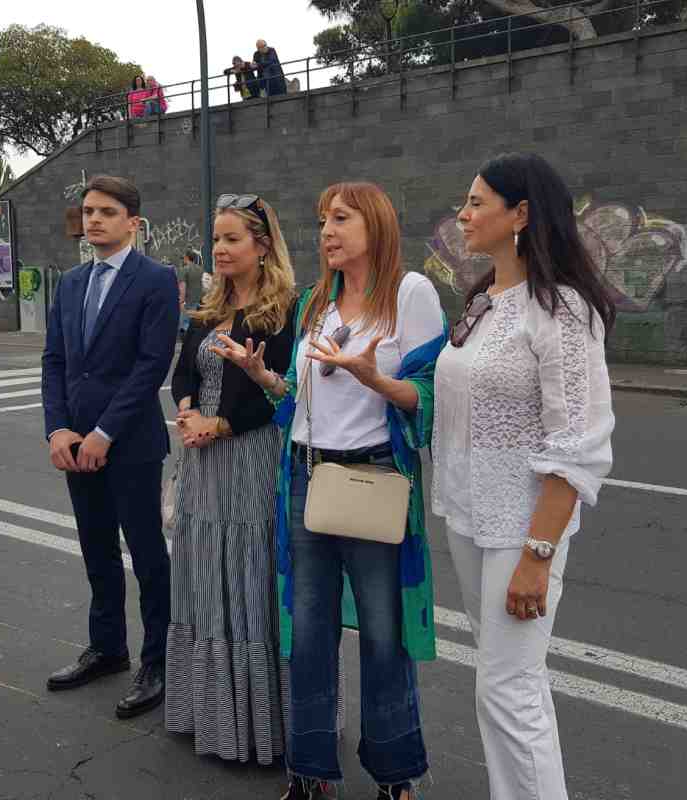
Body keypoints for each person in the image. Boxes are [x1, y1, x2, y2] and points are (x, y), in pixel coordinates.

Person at [215, 182, 445, 800]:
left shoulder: (411, 294)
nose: (327, 232)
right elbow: (297, 399)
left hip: (374, 477)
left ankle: (397, 777)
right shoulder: (319, 299)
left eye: (340, 219)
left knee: (382, 632)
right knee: (307, 631)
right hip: (306, 477)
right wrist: (262, 375)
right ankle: (310, 772)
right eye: (322, 221)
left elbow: (432, 397)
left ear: (376, 224)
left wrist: (377, 380)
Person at [431, 153, 616, 800]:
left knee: (506, 692)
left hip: (521, 529)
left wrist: (539, 554)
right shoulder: (485, 299)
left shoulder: (561, 311)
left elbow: (578, 445)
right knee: (513, 682)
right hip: (466, 515)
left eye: (478, 201)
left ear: (522, 214)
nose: (463, 213)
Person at [41, 175, 179, 720]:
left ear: (132, 222)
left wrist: (104, 433)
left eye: (106, 211)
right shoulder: (71, 283)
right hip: (75, 444)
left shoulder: (156, 279)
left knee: (147, 557)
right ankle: (107, 648)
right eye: (88, 211)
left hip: (130, 444)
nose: (94, 219)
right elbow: (54, 360)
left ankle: (158, 662)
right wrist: (58, 429)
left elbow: (151, 366)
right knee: (96, 550)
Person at [165, 194, 296, 764]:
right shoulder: (205, 309)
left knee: (248, 575)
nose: (219, 249)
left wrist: (220, 423)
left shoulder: (285, 311)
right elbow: (181, 372)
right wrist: (190, 410)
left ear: (262, 246)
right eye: (216, 239)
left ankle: (261, 725)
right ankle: (210, 714)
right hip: (201, 461)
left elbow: (284, 394)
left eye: (231, 239)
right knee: (202, 575)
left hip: (249, 459)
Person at [175, 249, 205, 337]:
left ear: (187, 258)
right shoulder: (201, 269)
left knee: (184, 326)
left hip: (188, 302)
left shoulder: (184, 270)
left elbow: (182, 287)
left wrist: (181, 301)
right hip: (200, 302)